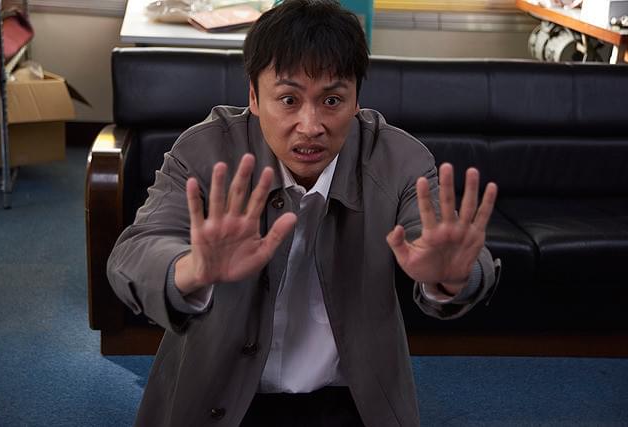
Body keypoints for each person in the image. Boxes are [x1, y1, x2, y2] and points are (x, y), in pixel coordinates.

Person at [107, 0, 500, 425]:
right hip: (219, 393)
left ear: (356, 99)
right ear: (254, 97)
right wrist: (192, 268)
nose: (311, 126)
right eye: (288, 99)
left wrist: (452, 275)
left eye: (332, 99)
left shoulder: (399, 158)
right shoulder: (205, 151)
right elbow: (134, 254)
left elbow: (449, 244)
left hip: (350, 397)